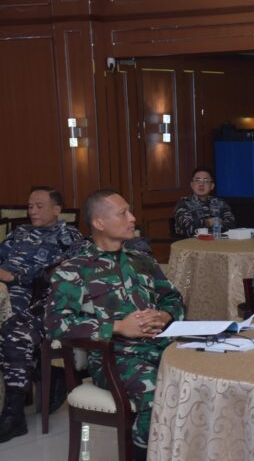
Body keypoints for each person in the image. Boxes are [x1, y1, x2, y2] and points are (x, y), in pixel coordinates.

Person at [47, 190, 184, 460]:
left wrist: (164, 315)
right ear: (99, 223)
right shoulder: (74, 270)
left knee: (200, 380)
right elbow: (56, 324)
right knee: (156, 394)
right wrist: (118, 327)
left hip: (162, 347)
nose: (132, 218)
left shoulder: (142, 261)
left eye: (130, 211)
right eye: (123, 213)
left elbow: (174, 299)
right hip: (114, 358)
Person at [0, 187, 83, 443]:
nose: (32, 211)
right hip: (4, 293)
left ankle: (14, 416)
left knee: (13, 335)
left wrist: (16, 276)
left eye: (39, 206)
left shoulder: (69, 236)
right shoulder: (20, 232)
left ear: (57, 209)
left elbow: (61, 275)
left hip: (37, 301)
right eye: (30, 206)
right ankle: (44, 375)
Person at [173, 167, 236, 237]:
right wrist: (209, 222)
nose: (201, 184)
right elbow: (188, 228)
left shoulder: (220, 202)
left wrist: (204, 224)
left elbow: (231, 225)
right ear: (192, 185)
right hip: (191, 242)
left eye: (206, 181)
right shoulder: (184, 202)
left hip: (218, 242)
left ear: (212, 186)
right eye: (197, 180)